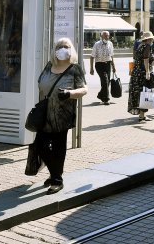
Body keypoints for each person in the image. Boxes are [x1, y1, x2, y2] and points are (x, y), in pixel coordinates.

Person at [33, 37, 86, 194]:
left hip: (63, 115)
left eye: (66, 46)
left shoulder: (75, 68)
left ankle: (56, 179)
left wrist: (70, 93)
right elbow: (40, 82)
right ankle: (55, 173)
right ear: (54, 50)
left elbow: (84, 89)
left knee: (58, 148)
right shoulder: (49, 66)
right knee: (40, 145)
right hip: (45, 113)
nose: (63, 49)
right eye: (59, 46)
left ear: (71, 50)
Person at [127, 31, 154, 122]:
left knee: (139, 92)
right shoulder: (147, 46)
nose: (152, 40)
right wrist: (147, 72)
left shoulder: (140, 46)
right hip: (142, 72)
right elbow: (146, 59)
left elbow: (137, 59)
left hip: (136, 72)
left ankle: (142, 115)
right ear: (149, 39)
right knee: (145, 92)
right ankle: (142, 115)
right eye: (151, 39)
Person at [89, 30, 115, 105]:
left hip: (108, 64)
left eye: (108, 35)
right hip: (99, 65)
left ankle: (101, 95)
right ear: (102, 36)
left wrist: (113, 66)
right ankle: (106, 99)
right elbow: (91, 57)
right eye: (106, 35)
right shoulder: (97, 44)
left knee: (106, 82)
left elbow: (112, 55)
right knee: (105, 80)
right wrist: (91, 68)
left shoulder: (110, 44)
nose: (107, 37)